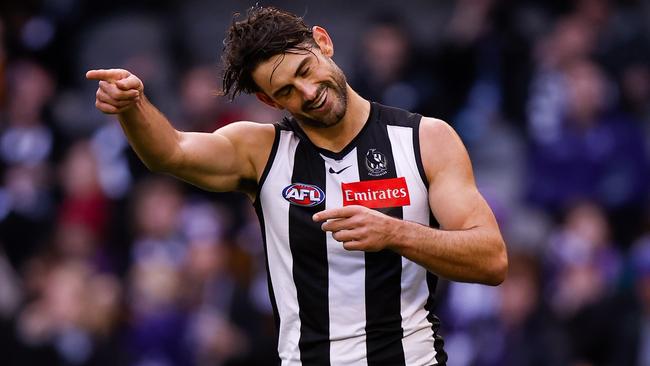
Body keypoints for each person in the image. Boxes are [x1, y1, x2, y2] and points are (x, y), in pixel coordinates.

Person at [86, 6, 507, 365]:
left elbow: (491, 259)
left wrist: (394, 233)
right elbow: (170, 152)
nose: (308, 92)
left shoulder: (425, 139)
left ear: (323, 42)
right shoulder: (260, 149)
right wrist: (132, 108)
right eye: (286, 90)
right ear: (270, 101)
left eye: (306, 69)